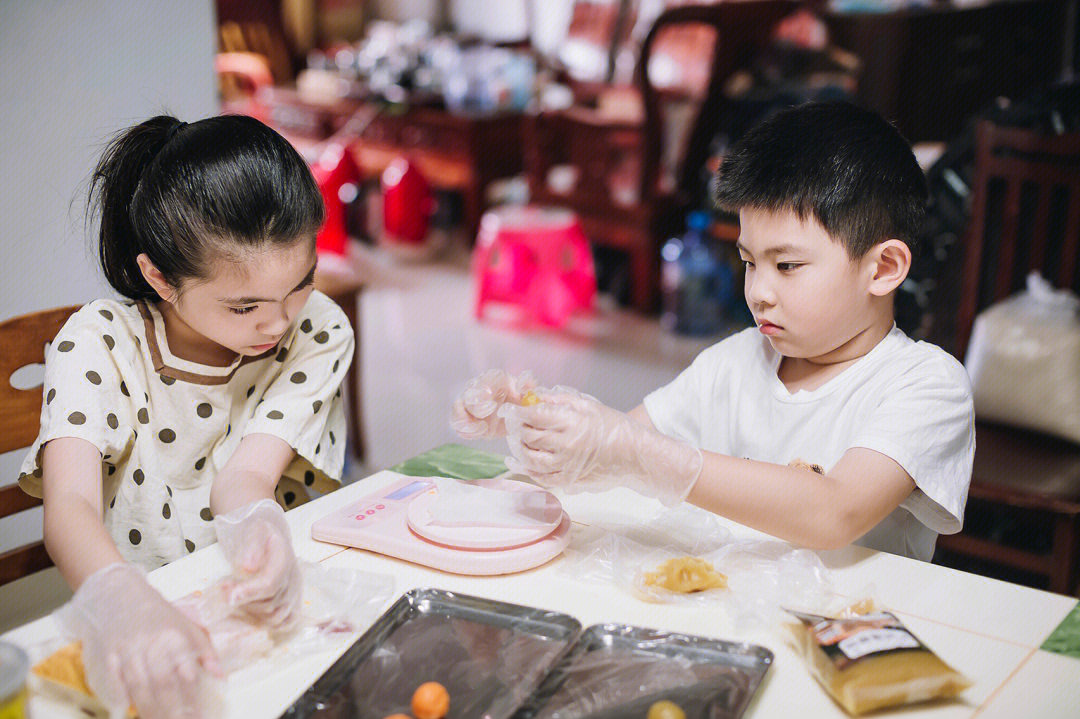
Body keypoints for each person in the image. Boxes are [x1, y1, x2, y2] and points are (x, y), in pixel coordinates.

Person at [452, 101, 974, 564]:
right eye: (749, 262)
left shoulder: (925, 384)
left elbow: (833, 513)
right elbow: (621, 445)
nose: (759, 293)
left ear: (882, 268)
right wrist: (537, 417)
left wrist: (645, 456)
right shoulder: (734, 363)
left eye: (787, 265)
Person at [18, 114, 354, 719]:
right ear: (160, 278)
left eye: (300, 284)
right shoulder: (99, 345)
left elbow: (244, 478)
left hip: (256, 624)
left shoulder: (318, 328)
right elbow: (68, 507)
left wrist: (259, 528)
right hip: (141, 632)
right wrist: (121, 599)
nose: (277, 324)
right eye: (244, 305)